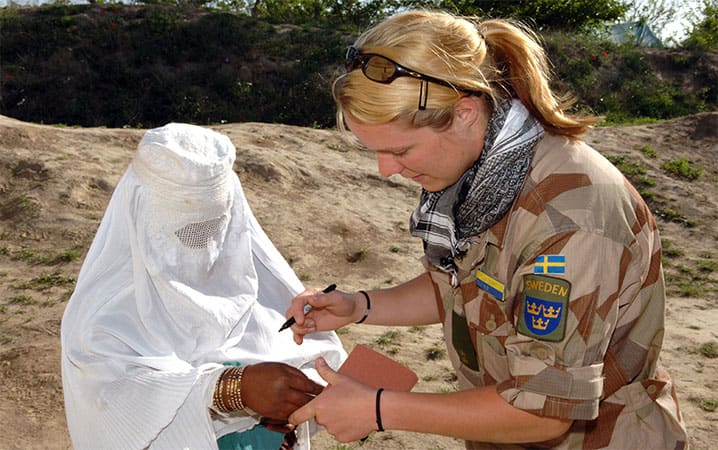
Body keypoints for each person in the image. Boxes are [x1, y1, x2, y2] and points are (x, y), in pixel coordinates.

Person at [285, 9, 688, 450]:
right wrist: (358, 306)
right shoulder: (482, 183)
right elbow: (460, 287)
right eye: (377, 152)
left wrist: (378, 408)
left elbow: (542, 411)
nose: (386, 170)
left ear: (465, 114)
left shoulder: (569, 219)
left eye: (400, 150)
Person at [60, 123, 346, 450]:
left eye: (215, 227)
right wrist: (229, 388)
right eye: (185, 230)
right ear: (139, 211)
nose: (203, 247)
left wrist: (292, 394)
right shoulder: (101, 315)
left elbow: (317, 357)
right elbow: (112, 408)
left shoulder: (254, 281)